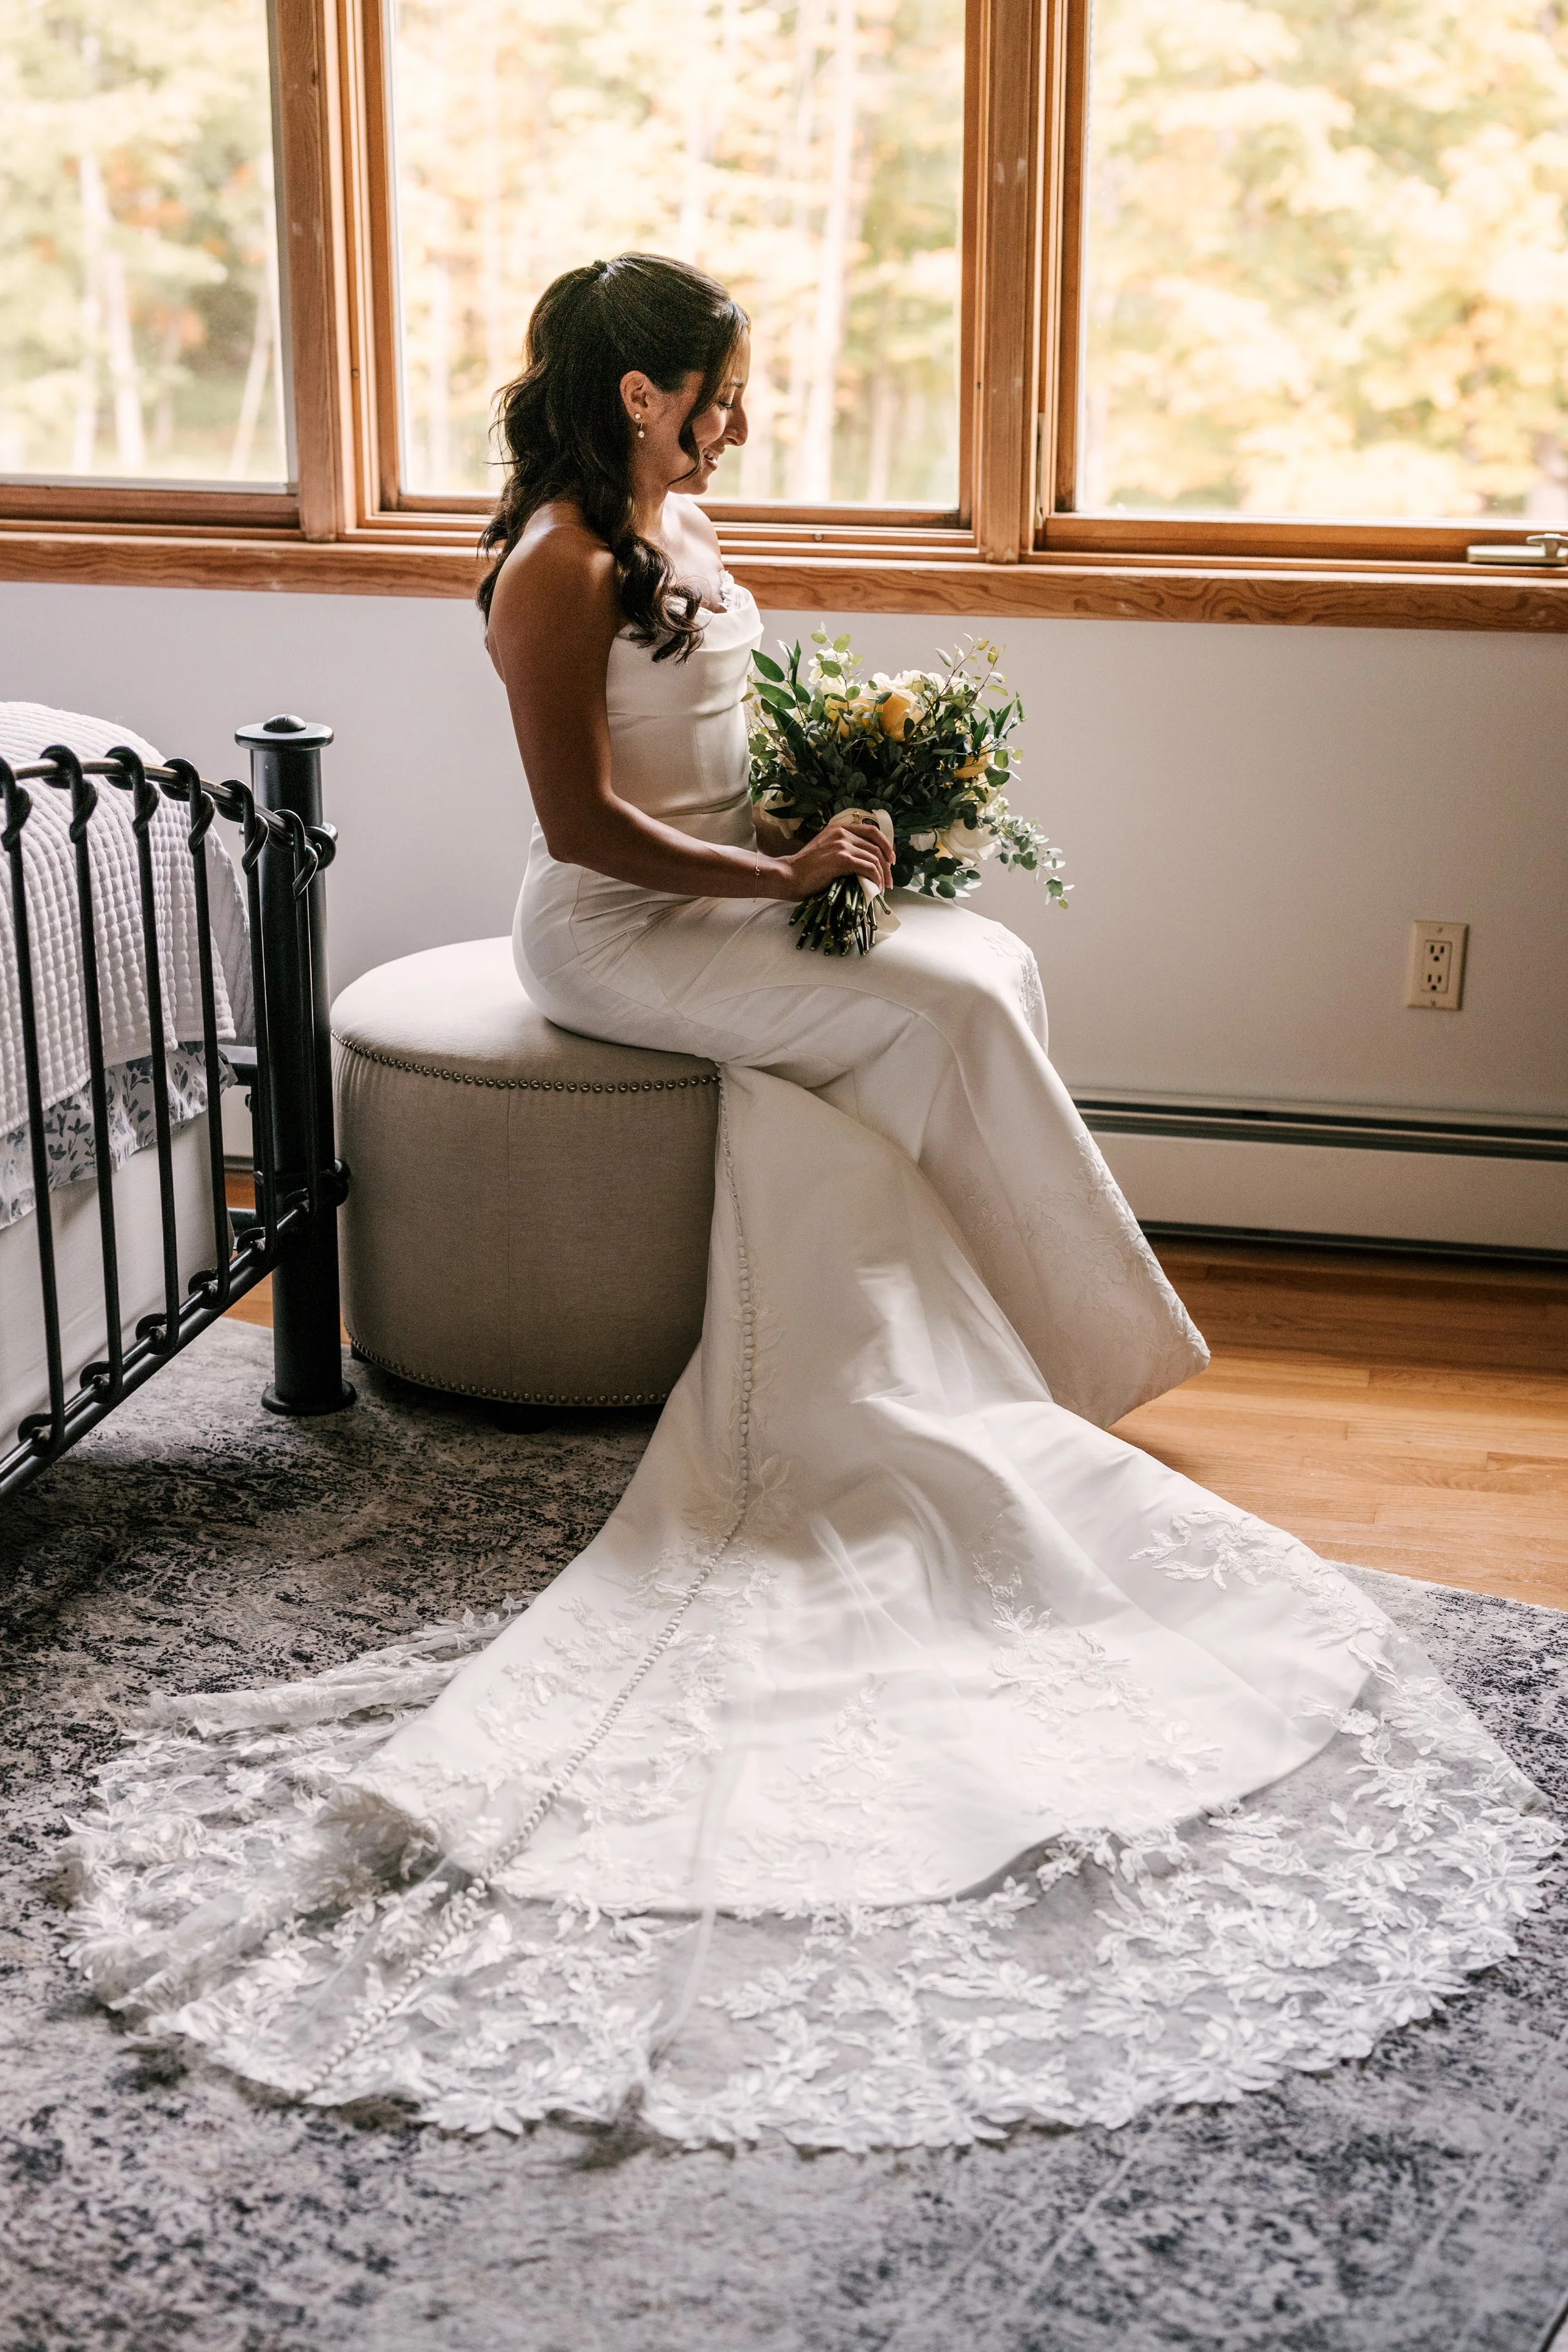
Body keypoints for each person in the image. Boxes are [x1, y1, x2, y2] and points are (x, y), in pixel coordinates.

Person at [68, 255, 1554, 2151]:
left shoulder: (667, 517)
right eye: (717, 392)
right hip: (613, 937)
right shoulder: (550, 565)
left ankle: (1023, 1341)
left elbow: (708, 756)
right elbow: (584, 829)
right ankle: (1079, 1348)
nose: (737, 422)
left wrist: (832, 823)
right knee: (928, 999)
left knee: (979, 966)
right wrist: (783, 889)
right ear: (637, 392)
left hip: (721, 889)